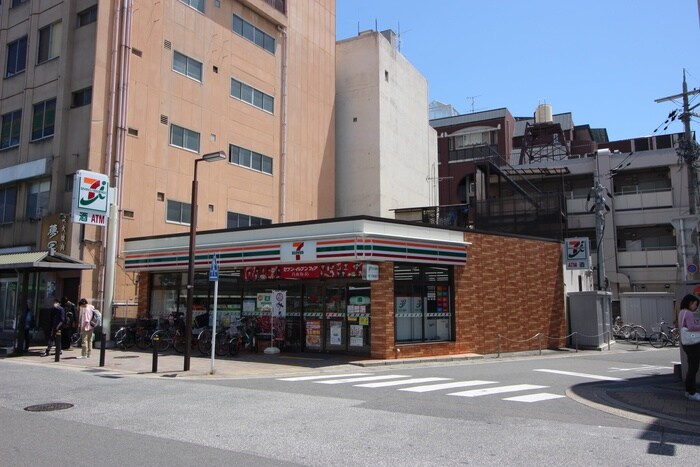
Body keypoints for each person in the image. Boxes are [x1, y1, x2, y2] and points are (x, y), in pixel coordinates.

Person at [679, 293, 700, 401]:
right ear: (690, 303)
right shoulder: (689, 313)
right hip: (693, 343)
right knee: (694, 367)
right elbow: (691, 326)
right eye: (695, 304)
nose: (696, 307)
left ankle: (688, 391)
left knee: (691, 367)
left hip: (686, 342)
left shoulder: (682, 312)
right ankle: (692, 392)